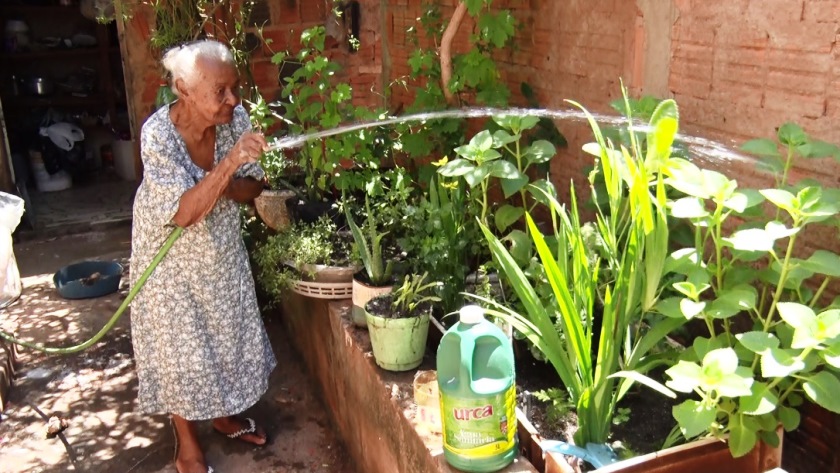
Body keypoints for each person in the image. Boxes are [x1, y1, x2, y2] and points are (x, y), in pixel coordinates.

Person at [130, 40, 276, 473]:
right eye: (220, 92)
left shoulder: (236, 119)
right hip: (169, 258)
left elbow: (254, 187)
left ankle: (222, 414)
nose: (233, 100)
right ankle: (186, 445)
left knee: (226, 333)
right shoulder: (158, 136)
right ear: (183, 90)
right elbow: (185, 213)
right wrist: (228, 165)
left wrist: (229, 180)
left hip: (219, 250)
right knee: (183, 347)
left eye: (235, 88)